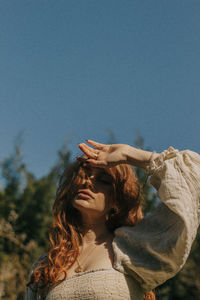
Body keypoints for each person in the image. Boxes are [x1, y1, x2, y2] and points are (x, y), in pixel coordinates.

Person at [26, 140, 200, 300]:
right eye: (84, 175)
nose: (88, 182)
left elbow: (194, 181)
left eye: (103, 180)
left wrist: (128, 154)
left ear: (117, 200)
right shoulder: (46, 266)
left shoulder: (133, 248)